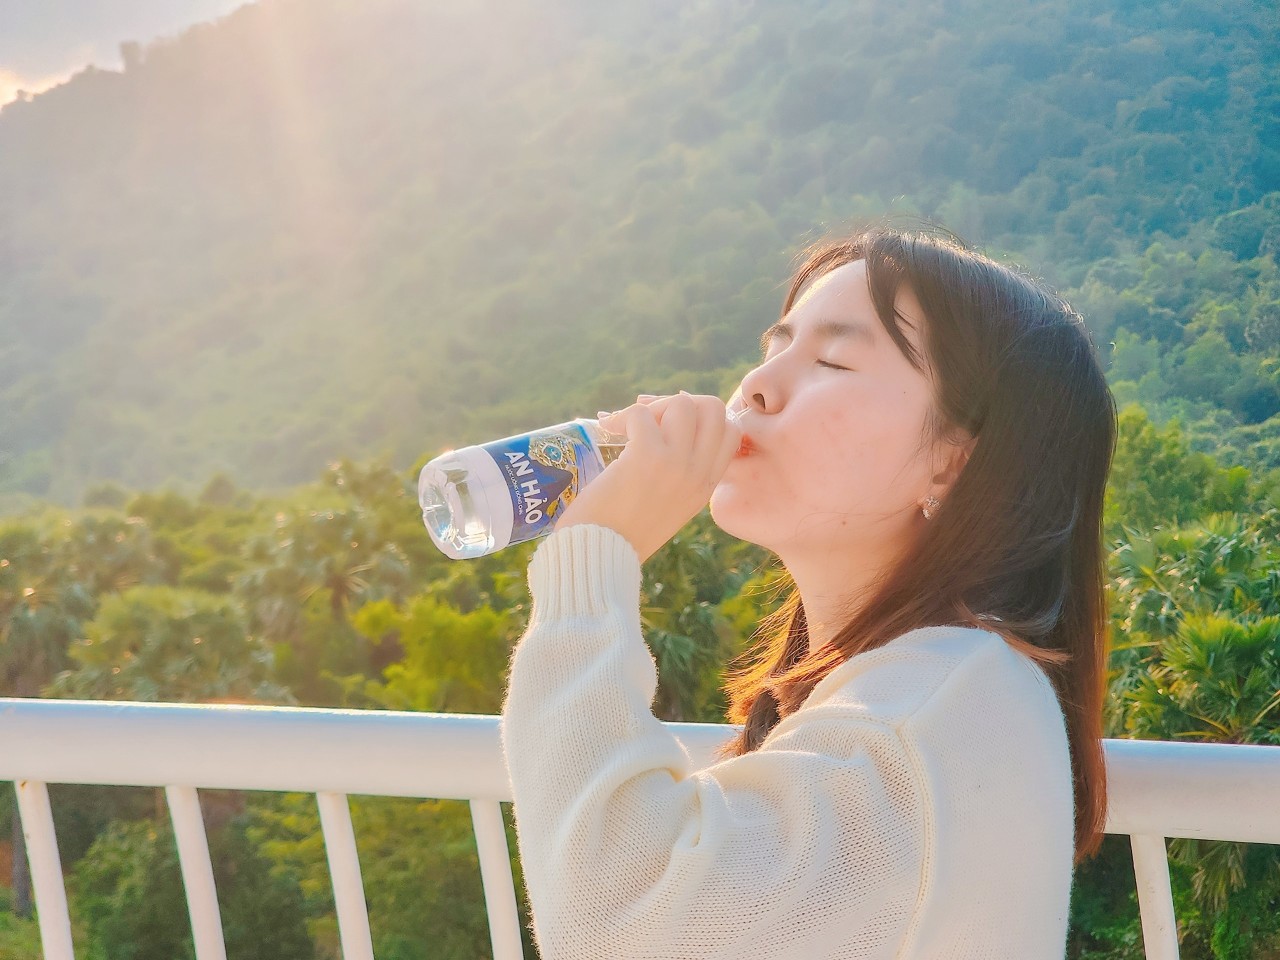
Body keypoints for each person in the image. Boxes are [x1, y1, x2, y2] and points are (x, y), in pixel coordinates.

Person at [499, 222, 1118, 959]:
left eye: (830, 360)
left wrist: (591, 565)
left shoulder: (923, 713)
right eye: (773, 350)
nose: (756, 387)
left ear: (954, 461)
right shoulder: (947, 685)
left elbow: (618, 922)